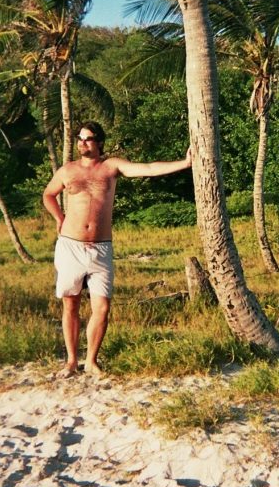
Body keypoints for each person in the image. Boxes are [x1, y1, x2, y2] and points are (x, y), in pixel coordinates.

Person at [42, 120, 192, 378]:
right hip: (71, 247)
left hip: (101, 249)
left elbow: (147, 169)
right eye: (80, 138)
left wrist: (185, 163)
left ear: (99, 143)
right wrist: (59, 217)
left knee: (102, 307)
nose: (82, 143)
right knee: (71, 304)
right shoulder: (67, 170)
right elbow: (48, 195)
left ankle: (91, 361)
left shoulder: (112, 167)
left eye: (88, 139)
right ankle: (70, 361)